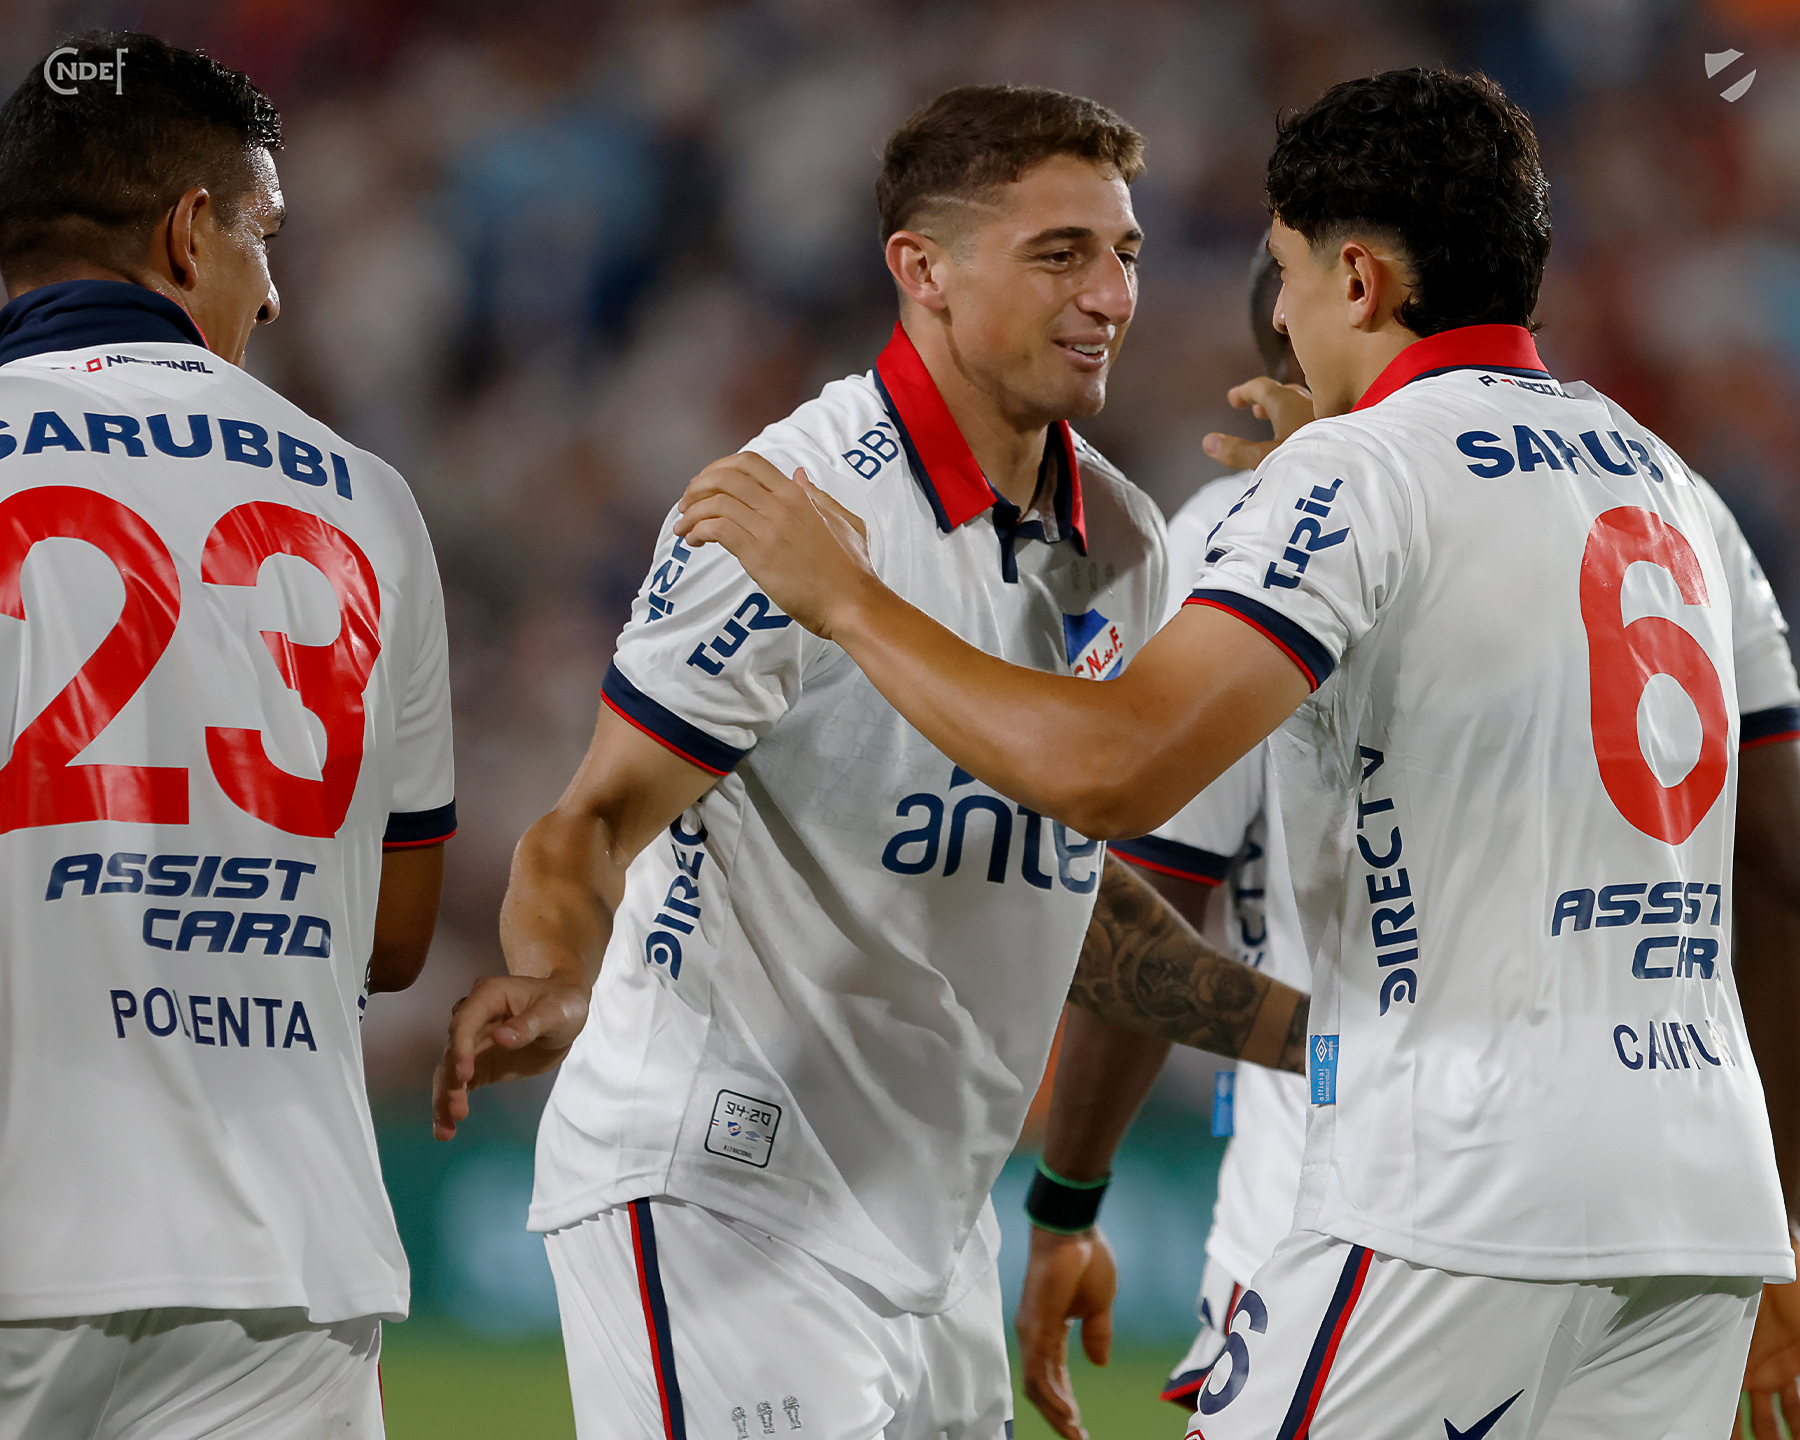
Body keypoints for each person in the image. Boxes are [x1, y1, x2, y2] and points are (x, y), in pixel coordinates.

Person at [675, 68, 1799, 1439]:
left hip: (1460, 1186)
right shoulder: (1666, 483)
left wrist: (848, 599)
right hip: (1703, 1205)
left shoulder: (1358, 473)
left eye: (1288, 273)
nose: (1279, 318)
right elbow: (1766, 860)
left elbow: (1113, 772)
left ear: (1360, 280)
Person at [432, 84, 1307, 1439]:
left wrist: (1315, 1038)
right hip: (725, 1189)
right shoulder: (791, 509)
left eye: (1124, 253)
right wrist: (556, 975)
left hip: (931, 1231)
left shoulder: (1124, 543)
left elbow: (1057, 892)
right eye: (1060, 254)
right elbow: (591, 822)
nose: (1111, 296)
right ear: (923, 270)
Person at [0, 32, 454, 1440]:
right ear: (189, 232)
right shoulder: (367, 499)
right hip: (285, 1267)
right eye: (265, 233)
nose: (275, 284)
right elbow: (393, 934)